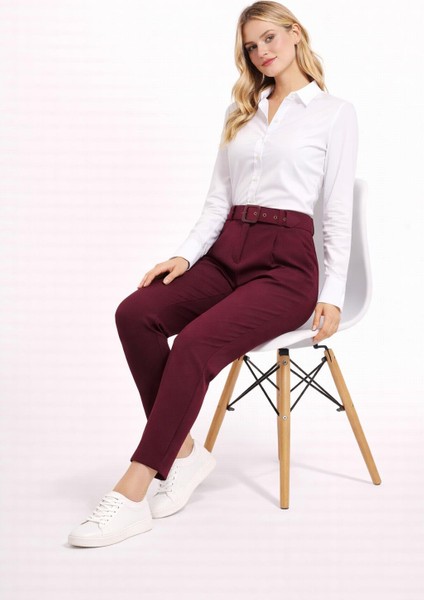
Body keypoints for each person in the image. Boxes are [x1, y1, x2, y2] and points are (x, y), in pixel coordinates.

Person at [68, 0, 358, 548]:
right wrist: (184, 255)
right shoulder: (242, 110)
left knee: (195, 344)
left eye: (269, 37)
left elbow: (336, 211)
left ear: (295, 33)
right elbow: (217, 200)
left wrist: (335, 292)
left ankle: (133, 491)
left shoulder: (334, 113)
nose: (262, 51)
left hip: (286, 268)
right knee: (136, 313)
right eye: (251, 45)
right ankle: (181, 452)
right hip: (227, 251)